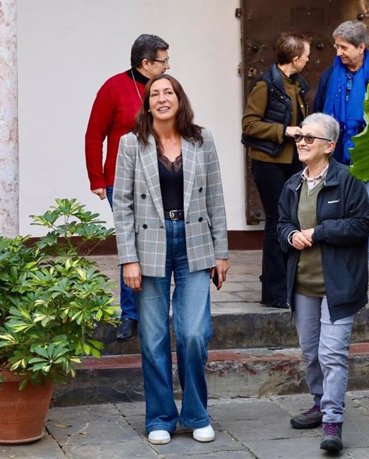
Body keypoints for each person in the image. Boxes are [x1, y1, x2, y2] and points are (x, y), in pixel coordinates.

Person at [113, 74, 230, 446]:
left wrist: (221, 250)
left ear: (180, 99)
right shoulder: (131, 144)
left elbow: (216, 197)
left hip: (194, 242)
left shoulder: (201, 139)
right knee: (154, 337)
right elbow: (124, 206)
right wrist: (128, 259)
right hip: (149, 245)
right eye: (155, 94)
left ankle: (196, 413)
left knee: (195, 333)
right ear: (147, 103)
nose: (162, 98)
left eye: (169, 92)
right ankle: (160, 416)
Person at [277, 113, 369, 452]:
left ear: (329, 147)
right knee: (310, 352)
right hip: (303, 284)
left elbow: (362, 225)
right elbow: (281, 226)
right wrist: (290, 235)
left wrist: (319, 233)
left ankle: (333, 419)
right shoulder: (292, 185)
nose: (301, 141)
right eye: (299, 136)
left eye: (309, 138)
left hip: (339, 285)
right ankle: (319, 403)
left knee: (332, 354)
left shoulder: (349, 182)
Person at [85, 34, 171, 340]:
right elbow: (94, 135)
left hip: (161, 177)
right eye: (163, 60)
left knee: (157, 243)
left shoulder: (166, 90)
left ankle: (154, 309)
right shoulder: (113, 88)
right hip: (120, 181)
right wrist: (96, 179)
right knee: (131, 241)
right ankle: (130, 314)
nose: (168, 66)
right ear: (146, 63)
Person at [313, 21, 369, 300]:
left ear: (361, 47)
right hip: (336, 158)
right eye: (337, 46)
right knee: (337, 216)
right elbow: (318, 117)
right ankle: (339, 275)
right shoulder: (328, 76)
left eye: (344, 47)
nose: (338, 53)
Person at [241, 32, 311, 308]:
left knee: (290, 221)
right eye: (305, 55)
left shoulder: (298, 83)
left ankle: (288, 284)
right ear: (295, 59)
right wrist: (284, 131)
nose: (308, 59)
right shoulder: (265, 84)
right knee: (275, 223)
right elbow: (249, 124)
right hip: (269, 163)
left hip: (293, 162)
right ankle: (273, 292)